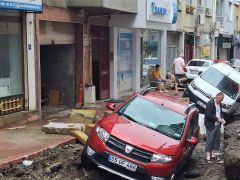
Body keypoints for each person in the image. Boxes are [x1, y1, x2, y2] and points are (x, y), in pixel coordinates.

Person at [204, 92, 226, 163]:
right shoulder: (210, 103)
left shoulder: (219, 104)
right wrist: (217, 119)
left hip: (217, 124)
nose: (222, 101)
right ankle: (208, 154)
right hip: (211, 124)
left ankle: (213, 153)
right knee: (210, 139)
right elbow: (208, 115)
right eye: (221, 99)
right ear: (217, 97)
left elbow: (221, 113)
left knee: (216, 139)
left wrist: (222, 118)